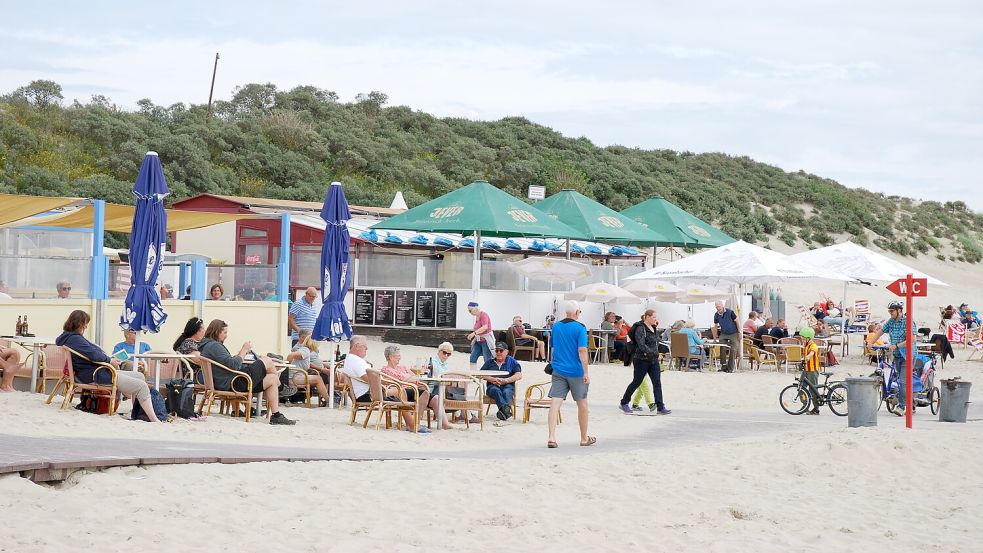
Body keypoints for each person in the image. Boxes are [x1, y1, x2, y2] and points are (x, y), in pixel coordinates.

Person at [55, 310, 160, 422]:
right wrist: (110, 360)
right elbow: (94, 355)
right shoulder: (75, 339)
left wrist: (109, 360)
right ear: (79, 323)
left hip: (96, 371)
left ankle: (136, 412)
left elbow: (92, 354)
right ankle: (154, 420)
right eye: (85, 324)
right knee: (142, 386)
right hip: (96, 374)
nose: (86, 326)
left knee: (139, 376)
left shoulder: (69, 337)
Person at [198, 319, 295, 425]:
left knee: (272, 379)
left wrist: (239, 355)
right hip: (234, 383)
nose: (226, 335)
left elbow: (228, 363)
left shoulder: (207, 346)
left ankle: (276, 416)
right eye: (225, 332)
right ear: (217, 332)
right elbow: (234, 365)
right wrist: (244, 350)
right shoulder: (214, 346)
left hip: (231, 381)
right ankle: (282, 388)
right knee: (267, 360)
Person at [547, 300, 595, 448]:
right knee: (582, 404)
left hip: (559, 369)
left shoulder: (556, 326)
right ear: (576, 312)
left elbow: (553, 348)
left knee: (555, 403)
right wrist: (586, 371)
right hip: (576, 371)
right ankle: (583, 437)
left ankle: (552, 437)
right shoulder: (580, 328)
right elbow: (582, 351)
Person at [866, 301, 918, 416]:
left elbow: (913, 339)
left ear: (899, 310)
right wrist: (871, 342)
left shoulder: (908, 321)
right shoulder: (891, 321)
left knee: (903, 382)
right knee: (900, 381)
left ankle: (901, 406)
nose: (890, 313)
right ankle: (912, 405)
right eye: (889, 311)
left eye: (892, 311)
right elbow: (881, 331)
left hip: (908, 355)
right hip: (897, 356)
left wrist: (897, 345)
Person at [620, 309, 671, 415]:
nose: (655, 319)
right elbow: (641, 345)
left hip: (653, 361)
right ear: (647, 317)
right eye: (654, 317)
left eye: (656, 317)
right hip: (641, 360)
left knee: (657, 383)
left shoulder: (653, 328)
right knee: (636, 382)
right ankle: (624, 402)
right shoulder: (640, 328)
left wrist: (659, 352)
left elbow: (655, 343)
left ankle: (660, 407)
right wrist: (656, 354)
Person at [380, 345, 431, 433]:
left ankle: (416, 422)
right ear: (391, 357)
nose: (400, 358)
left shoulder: (402, 367)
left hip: (410, 389)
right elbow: (401, 378)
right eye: (398, 356)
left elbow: (414, 377)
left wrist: (410, 378)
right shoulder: (386, 369)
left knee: (425, 393)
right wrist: (410, 378)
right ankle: (410, 425)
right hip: (398, 391)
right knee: (403, 392)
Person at [285, 329, 331, 407]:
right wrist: (287, 367)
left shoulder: (306, 351)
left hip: (296, 376)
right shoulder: (305, 351)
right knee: (318, 379)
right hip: (293, 378)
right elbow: (290, 355)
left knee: (319, 378)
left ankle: (328, 399)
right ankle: (329, 400)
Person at [482, 341, 523, 421]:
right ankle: (506, 411)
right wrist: (491, 379)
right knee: (495, 390)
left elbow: (519, 375)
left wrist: (506, 380)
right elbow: (480, 374)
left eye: (501, 351)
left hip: (508, 385)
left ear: (506, 352)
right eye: (496, 350)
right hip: (492, 385)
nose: (498, 353)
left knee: (506, 392)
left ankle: (503, 412)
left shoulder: (512, 361)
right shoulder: (490, 362)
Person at [425, 342, 454, 430]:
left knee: (460, 387)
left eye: (448, 354)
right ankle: (459, 414)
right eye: (444, 352)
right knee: (455, 389)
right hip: (430, 388)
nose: (446, 356)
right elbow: (439, 375)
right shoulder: (433, 361)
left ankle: (462, 414)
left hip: (439, 386)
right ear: (439, 351)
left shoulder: (443, 363)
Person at [340, 335, 372, 404]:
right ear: (357, 346)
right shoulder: (355, 360)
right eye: (365, 346)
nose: (367, 349)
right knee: (399, 391)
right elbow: (367, 378)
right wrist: (387, 381)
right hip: (367, 395)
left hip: (365, 394)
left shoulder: (351, 359)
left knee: (398, 390)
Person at [799, 327, 822, 415]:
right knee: (801, 387)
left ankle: (816, 408)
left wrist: (808, 356)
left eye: (803, 338)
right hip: (806, 370)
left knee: (813, 390)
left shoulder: (813, 345)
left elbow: (812, 352)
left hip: (812, 370)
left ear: (808, 338)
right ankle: (805, 406)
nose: (802, 339)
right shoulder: (805, 345)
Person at [712, 301, 739, 372]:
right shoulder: (716, 315)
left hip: (733, 333)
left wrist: (739, 332)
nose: (718, 308)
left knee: (733, 349)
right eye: (716, 307)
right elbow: (715, 327)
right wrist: (714, 338)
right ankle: (723, 367)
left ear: (722, 305)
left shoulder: (730, 312)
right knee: (722, 348)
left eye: (719, 306)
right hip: (724, 333)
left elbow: (737, 322)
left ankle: (730, 368)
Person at [466, 301, 494, 369]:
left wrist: (474, 333)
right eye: (468, 310)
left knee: (487, 359)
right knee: (473, 357)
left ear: (476, 308)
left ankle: (489, 375)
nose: (469, 312)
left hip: (486, 340)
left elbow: (485, 327)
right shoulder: (477, 317)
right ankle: (473, 374)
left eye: (470, 310)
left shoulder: (484, 315)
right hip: (478, 340)